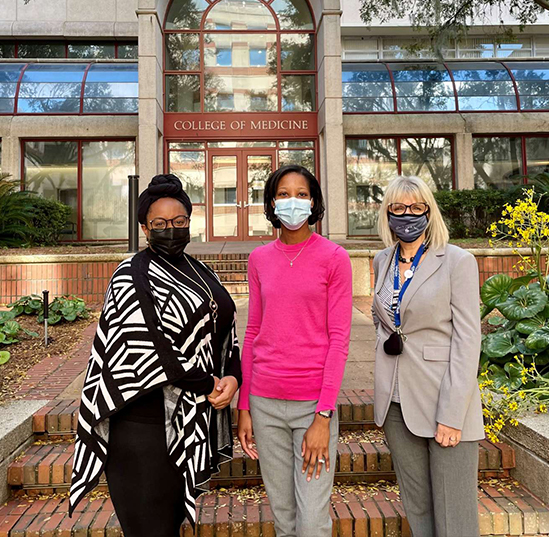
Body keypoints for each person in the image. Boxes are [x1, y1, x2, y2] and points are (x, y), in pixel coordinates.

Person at [69, 174, 241, 536]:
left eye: (179, 222)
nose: (171, 230)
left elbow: (224, 329)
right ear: (145, 228)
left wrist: (232, 376)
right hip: (142, 429)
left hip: (187, 418)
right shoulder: (131, 274)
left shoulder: (200, 270)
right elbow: (151, 346)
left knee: (169, 524)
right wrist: (207, 382)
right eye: (160, 224)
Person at [237, 164, 353, 537]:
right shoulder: (259, 259)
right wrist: (244, 408)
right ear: (272, 203)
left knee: (313, 517)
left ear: (314, 202)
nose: (292, 202)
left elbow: (339, 339)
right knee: (284, 514)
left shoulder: (334, 258)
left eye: (301, 195)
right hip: (264, 403)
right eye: (283, 194)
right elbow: (253, 330)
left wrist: (323, 415)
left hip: (311, 406)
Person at [371, 175, 484, 537]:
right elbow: (382, 317)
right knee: (418, 509)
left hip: (444, 400)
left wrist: (453, 414)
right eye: (399, 208)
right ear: (387, 213)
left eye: (417, 207)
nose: (408, 215)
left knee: (455, 517)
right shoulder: (381, 260)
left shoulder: (457, 261)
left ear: (429, 211)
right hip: (395, 402)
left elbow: (468, 340)